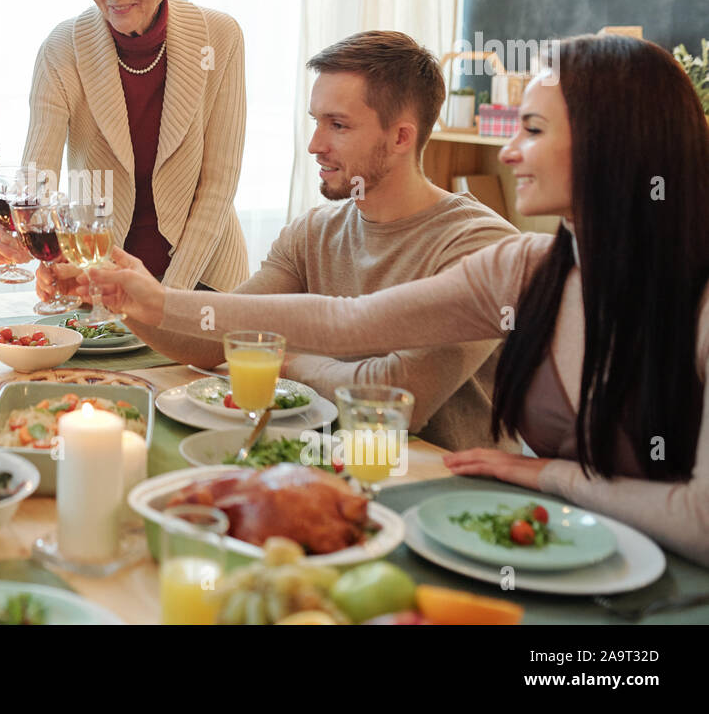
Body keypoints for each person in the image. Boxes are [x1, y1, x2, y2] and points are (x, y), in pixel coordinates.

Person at [91, 34, 709, 566]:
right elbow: (345, 321)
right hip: (546, 550)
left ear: (611, 144)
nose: (510, 150)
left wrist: (553, 476)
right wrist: (153, 300)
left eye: (534, 130)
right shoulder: (526, 266)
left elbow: (699, 524)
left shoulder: (689, 300)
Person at [106, 32, 520, 450]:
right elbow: (214, 340)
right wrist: (118, 292)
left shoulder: (483, 247)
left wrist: (287, 363)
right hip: (331, 459)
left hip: (446, 487)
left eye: (338, 125)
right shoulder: (314, 232)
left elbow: (397, 397)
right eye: (315, 121)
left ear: (401, 138)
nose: (314, 145)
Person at [7, 0, 248, 294]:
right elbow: (38, 183)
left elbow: (218, 187)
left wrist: (168, 299)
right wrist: (35, 242)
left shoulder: (220, 38)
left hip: (204, 280)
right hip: (101, 278)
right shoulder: (62, 49)